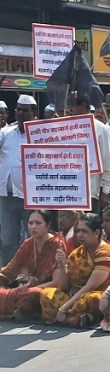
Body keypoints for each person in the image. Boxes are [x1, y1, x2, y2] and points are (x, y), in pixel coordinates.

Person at [33, 213, 110, 327]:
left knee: (94, 299)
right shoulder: (77, 253)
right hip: (74, 295)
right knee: (46, 294)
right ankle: (75, 319)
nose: (79, 235)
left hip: (97, 294)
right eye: (78, 231)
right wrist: (62, 265)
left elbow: (90, 286)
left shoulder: (106, 252)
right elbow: (65, 287)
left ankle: (68, 317)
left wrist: (63, 308)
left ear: (97, 233)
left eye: (84, 231)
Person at [0, 210, 63, 320]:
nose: (33, 227)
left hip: (46, 290)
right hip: (23, 289)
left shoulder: (57, 244)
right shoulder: (28, 243)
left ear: (48, 225)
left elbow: (57, 282)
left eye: (38, 223)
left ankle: (20, 309)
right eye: (30, 223)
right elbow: (10, 270)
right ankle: (19, 309)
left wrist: (27, 289)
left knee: (33, 293)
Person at [0, 95, 37, 263]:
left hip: (31, 197)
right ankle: (7, 276)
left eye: (25, 110)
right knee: (8, 239)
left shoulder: (42, 134)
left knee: (33, 239)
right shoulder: (5, 133)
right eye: (18, 109)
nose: (20, 113)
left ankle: (32, 274)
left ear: (33, 113)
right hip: (6, 196)